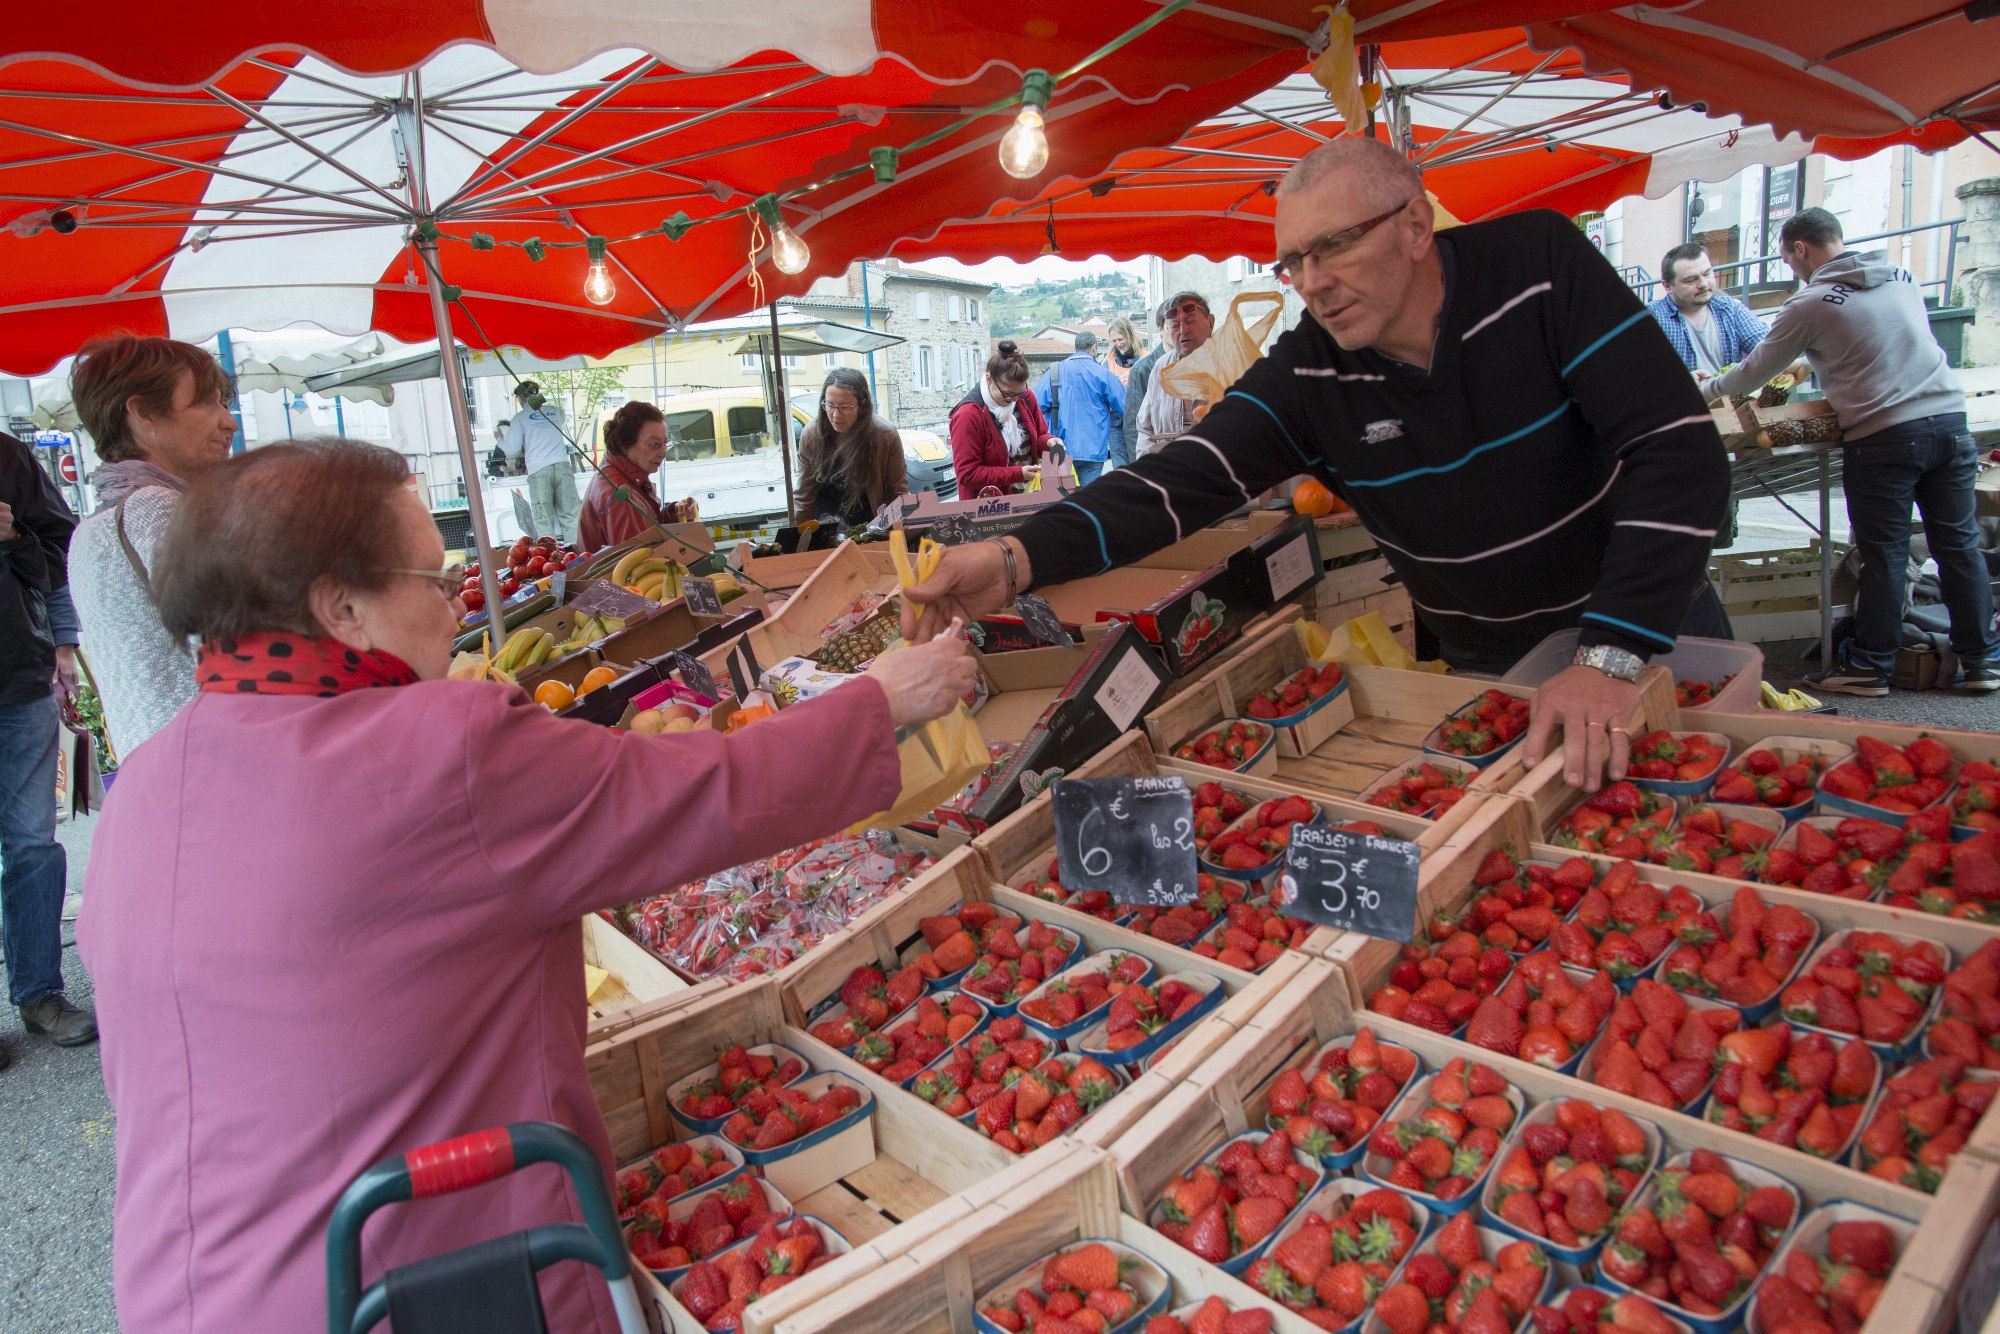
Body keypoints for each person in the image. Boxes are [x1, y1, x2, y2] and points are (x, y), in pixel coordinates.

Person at [79, 437, 976, 1333]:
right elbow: (701, 795)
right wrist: (878, 701)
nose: (455, 608)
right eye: (433, 580)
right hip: (419, 1284)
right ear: (341, 605)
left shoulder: (146, 788)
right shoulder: (440, 750)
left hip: (187, 1291)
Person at [905, 137, 1732, 793]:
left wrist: (1612, 652)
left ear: (1415, 226)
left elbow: (1677, 448)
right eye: (1292, 262)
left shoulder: (1539, 268)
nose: (1313, 283)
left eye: (1334, 247)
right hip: (1492, 669)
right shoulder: (1312, 370)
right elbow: (1183, 477)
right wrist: (1014, 559)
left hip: (1647, 637)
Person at [1705, 208, 1998, 694]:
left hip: (1884, 437)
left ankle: (1869, 668)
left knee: (1884, 554)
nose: (1793, 270)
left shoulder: (1810, 303)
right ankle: (1981, 662)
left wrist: (1702, 389)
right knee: (1960, 547)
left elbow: (1754, 372)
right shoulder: (1903, 276)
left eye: (1788, 259)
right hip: (1950, 423)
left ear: (1801, 249)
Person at [67, 334, 236, 761]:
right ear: (143, 413)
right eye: (207, 403)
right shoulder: (160, 509)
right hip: (212, 765)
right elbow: (237, 650)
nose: (228, 421)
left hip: (153, 778)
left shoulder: (91, 528)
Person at [0, 432, 94, 1064]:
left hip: (17, 678)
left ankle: (39, 993)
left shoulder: (6, 457)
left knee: (33, 843)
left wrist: (15, 538)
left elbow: (64, 549)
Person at [792, 368, 907, 527]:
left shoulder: (885, 435)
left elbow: (897, 494)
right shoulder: (811, 435)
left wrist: (894, 536)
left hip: (871, 526)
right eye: (830, 405)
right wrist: (797, 543)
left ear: (863, 405)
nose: (836, 415)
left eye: (845, 407)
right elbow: (804, 496)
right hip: (825, 525)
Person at [950, 340, 1065, 495]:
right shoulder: (967, 415)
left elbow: (1040, 436)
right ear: (989, 379)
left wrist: (1049, 442)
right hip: (990, 508)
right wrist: (1017, 474)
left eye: (1019, 392)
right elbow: (967, 474)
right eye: (1008, 394)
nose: (1015, 400)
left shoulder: (1026, 398)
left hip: (1031, 495)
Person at [1648, 243, 1770, 377]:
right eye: (1690, 280)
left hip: (1729, 397)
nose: (1703, 284)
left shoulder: (1730, 309)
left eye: (1707, 274)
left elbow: (1767, 348)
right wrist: (1678, 382)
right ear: (1667, 286)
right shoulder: (1651, 318)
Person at [1033, 332, 1124, 485]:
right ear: (1094, 348)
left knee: (1059, 499)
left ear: (1075, 348)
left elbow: (1035, 406)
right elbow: (1124, 408)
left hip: (1059, 449)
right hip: (1093, 449)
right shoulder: (1103, 374)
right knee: (1087, 500)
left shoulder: (1054, 372)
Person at [1134, 291, 1216, 454]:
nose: (1183, 330)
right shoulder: (1161, 368)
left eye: (1190, 321)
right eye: (1175, 325)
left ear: (1210, 323)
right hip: (1168, 473)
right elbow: (1145, 430)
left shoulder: (1232, 364)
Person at [580, 401, 669, 548]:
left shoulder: (618, 474)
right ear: (626, 443)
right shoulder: (620, 496)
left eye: (665, 443)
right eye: (654, 444)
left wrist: (675, 514)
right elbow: (638, 564)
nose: (663, 453)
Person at [504, 380, 580, 543]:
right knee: (571, 514)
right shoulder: (555, 411)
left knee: (543, 518)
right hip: (562, 466)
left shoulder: (520, 418)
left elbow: (512, 449)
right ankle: (579, 557)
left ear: (521, 399)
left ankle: (551, 559)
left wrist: (499, 439)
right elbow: (562, 419)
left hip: (539, 471)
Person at [1116, 302, 1172, 470]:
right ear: (1160, 328)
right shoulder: (1143, 369)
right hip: (1157, 461)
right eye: (1172, 325)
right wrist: (1140, 468)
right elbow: (1134, 425)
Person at [1105, 316, 1142, 388]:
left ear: (1130, 336)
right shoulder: (1109, 361)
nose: (1118, 344)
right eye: (1114, 341)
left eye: (1120, 339)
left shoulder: (1145, 358)